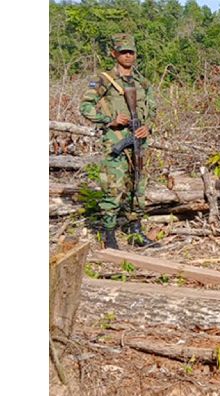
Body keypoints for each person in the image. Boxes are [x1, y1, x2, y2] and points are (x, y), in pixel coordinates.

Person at [79, 33, 155, 249]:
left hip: (139, 141)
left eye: (131, 51)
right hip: (116, 142)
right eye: (123, 52)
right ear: (114, 54)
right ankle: (109, 234)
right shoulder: (104, 80)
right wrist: (109, 120)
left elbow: (153, 108)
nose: (128, 56)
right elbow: (85, 107)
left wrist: (147, 127)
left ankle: (136, 231)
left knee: (138, 186)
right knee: (113, 187)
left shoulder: (142, 81)